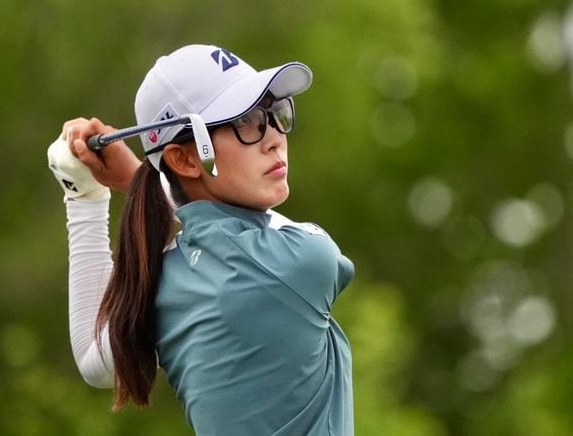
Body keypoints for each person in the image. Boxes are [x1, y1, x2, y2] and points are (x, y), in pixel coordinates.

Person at [47, 44, 355, 435]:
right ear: (184, 160)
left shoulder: (165, 276)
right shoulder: (304, 259)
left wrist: (85, 196)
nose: (275, 139)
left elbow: (95, 362)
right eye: (245, 122)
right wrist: (137, 179)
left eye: (274, 113)